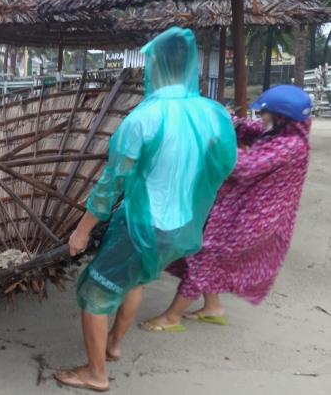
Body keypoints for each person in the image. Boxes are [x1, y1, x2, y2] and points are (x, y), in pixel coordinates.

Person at [53, 27, 237, 391]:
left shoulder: (141, 120)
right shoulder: (213, 114)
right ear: (189, 66)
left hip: (142, 223)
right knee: (131, 278)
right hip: (182, 224)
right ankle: (115, 345)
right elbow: (224, 165)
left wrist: (82, 230)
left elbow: (110, 186)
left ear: (153, 66)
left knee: (94, 292)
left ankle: (95, 373)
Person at [142, 85, 312, 332]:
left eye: (267, 114)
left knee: (206, 257)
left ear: (282, 117)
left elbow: (243, 167)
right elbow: (242, 127)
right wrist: (210, 113)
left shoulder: (290, 145)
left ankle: (171, 317)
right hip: (238, 209)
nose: (262, 119)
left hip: (254, 218)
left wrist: (215, 143)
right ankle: (213, 308)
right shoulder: (276, 132)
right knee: (206, 254)